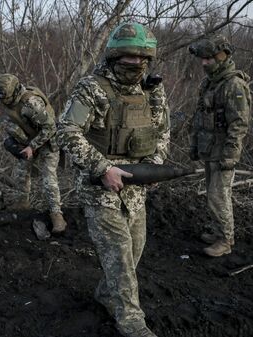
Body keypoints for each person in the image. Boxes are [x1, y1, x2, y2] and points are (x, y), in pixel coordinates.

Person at [57, 22, 169, 337]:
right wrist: (102, 168)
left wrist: (155, 165)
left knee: (135, 251)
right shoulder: (92, 87)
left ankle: (107, 295)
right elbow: (65, 130)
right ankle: (131, 321)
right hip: (100, 188)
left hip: (137, 187)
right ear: (114, 56)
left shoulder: (152, 89)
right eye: (128, 58)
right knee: (119, 257)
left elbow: (162, 131)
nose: (135, 63)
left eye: (141, 58)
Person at [188, 34, 251, 257]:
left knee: (218, 195)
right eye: (202, 59)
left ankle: (225, 240)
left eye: (209, 59)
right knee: (212, 194)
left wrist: (230, 155)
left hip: (223, 151)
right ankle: (218, 232)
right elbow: (199, 116)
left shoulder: (234, 85)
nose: (204, 63)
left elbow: (239, 124)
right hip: (209, 148)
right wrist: (195, 144)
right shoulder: (210, 83)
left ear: (221, 57)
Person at [0, 74, 67, 233]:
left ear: (14, 91)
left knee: (49, 178)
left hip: (48, 141)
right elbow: (12, 123)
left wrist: (32, 147)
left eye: (6, 98)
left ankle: (56, 215)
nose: (3, 102)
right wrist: (11, 141)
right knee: (21, 171)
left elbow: (50, 128)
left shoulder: (31, 103)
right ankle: (22, 202)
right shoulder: (9, 101)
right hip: (28, 140)